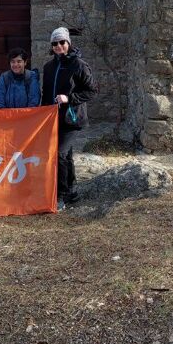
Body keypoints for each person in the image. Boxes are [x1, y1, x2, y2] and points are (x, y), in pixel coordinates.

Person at [41, 27, 97, 210]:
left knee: (60, 154)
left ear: (68, 44)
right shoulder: (49, 67)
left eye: (62, 42)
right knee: (67, 155)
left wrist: (69, 98)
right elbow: (46, 93)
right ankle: (72, 191)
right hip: (53, 118)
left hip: (72, 119)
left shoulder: (79, 65)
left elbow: (92, 90)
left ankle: (62, 195)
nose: (58, 46)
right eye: (55, 43)